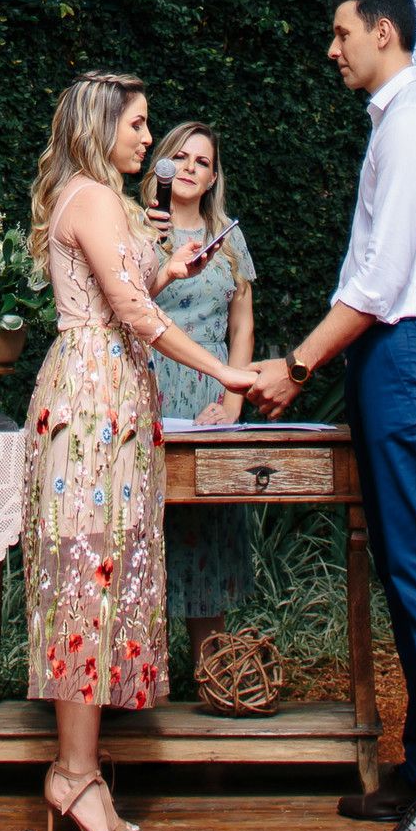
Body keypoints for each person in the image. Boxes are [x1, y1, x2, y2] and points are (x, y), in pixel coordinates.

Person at [245, 0, 416, 831]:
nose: (332, 49)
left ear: (385, 33)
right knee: (400, 564)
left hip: (411, 353)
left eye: (341, 32)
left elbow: (379, 284)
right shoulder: (393, 121)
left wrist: (299, 366)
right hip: (387, 359)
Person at [24, 70, 256, 831]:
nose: (146, 140)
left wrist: (172, 267)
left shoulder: (107, 201)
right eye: (137, 125)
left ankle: (77, 769)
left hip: (115, 397)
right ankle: (75, 774)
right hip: (93, 398)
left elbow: (130, 284)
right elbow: (132, 312)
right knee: (85, 579)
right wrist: (225, 371)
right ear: (101, 125)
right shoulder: (91, 198)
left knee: (103, 573)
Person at [140, 122, 257, 664]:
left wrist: (233, 402)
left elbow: (242, 327)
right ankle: (141, 671)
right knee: (142, 524)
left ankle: (212, 667)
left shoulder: (227, 236)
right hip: (146, 386)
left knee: (206, 526)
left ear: (212, 178)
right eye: (179, 156)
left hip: (210, 396)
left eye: (202, 162)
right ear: (162, 165)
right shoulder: (141, 227)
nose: (189, 167)